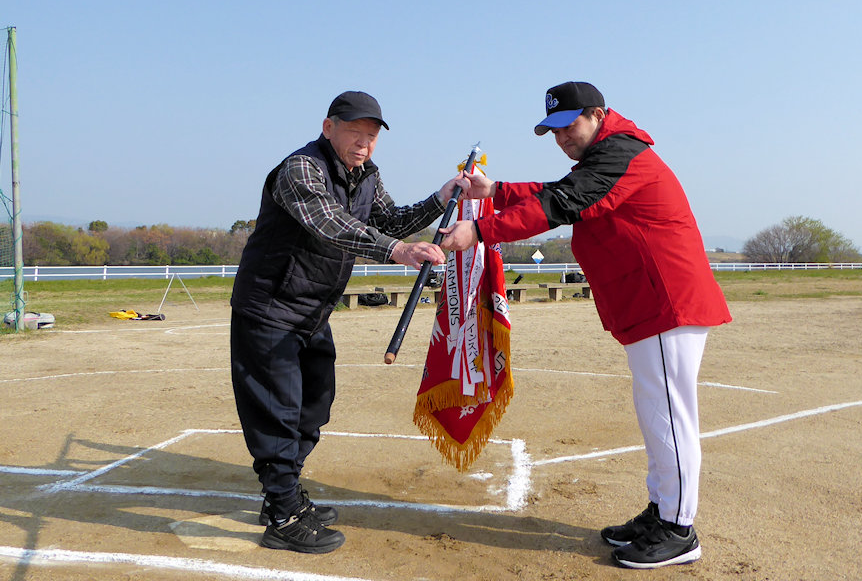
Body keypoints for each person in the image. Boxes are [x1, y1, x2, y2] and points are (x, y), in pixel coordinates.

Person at [440, 81, 731, 570]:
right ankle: (661, 512)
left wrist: (481, 229)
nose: (561, 138)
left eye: (567, 126)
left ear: (597, 114)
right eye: (552, 131)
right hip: (650, 303)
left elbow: (562, 203)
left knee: (670, 416)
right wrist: (497, 191)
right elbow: (560, 192)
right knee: (655, 412)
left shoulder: (622, 153)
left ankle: (679, 529)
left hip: (667, 302)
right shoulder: (607, 156)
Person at [231, 90, 468, 554]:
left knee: (314, 406)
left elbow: (391, 220)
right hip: (271, 307)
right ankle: (283, 516)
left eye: (372, 136)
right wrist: (396, 251)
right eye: (355, 132)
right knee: (277, 413)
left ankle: (283, 494)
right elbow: (330, 223)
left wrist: (441, 198)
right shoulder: (300, 169)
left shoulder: (366, 176)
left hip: (313, 310)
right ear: (328, 128)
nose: (364, 143)